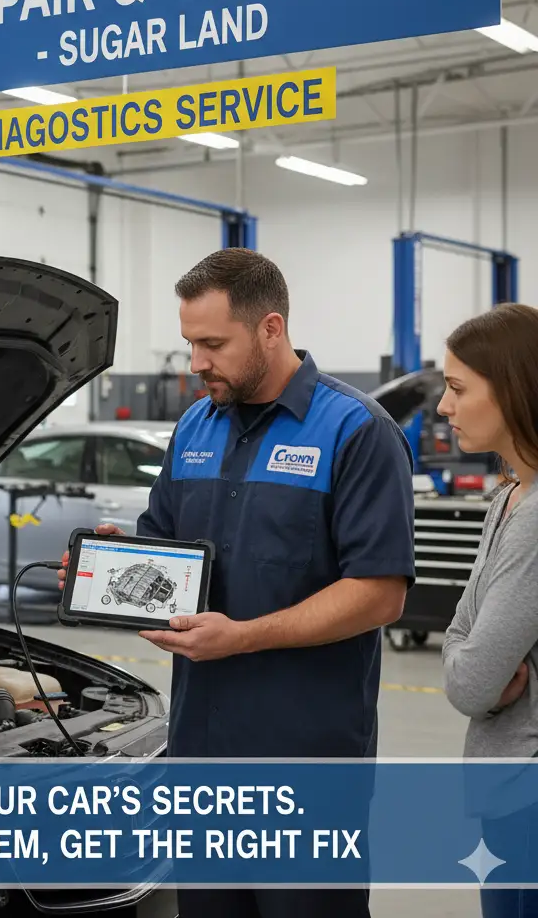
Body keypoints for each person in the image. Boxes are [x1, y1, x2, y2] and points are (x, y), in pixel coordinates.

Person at [59, 248, 416, 918]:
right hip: (203, 753)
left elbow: (379, 592)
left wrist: (245, 637)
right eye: (190, 342)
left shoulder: (356, 432)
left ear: (271, 329)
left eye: (212, 344)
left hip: (304, 763)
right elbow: (166, 549)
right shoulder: (195, 425)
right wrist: (118, 566)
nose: (196, 362)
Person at [438, 304, 538, 918]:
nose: (445, 408)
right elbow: (460, 638)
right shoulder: (507, 498)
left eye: (457, 388)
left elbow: (472, 683)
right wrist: (467, 655)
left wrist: (468, 659)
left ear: (515, 389)